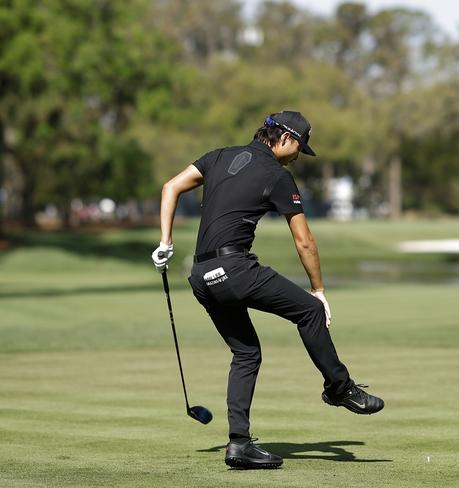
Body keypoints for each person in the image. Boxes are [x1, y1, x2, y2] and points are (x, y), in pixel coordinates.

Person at [151, 111, 384, 469]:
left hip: (201, 275)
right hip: (234, 269)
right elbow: (304, 241)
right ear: (285, 139)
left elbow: (170, 187)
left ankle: (239, 445)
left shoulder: (218, 156)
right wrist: (318, 290)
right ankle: (340, 388)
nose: (295, 156)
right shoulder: (277, 175)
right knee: (309, 311)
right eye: (297, 148)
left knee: (246, 353)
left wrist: (165, 242)